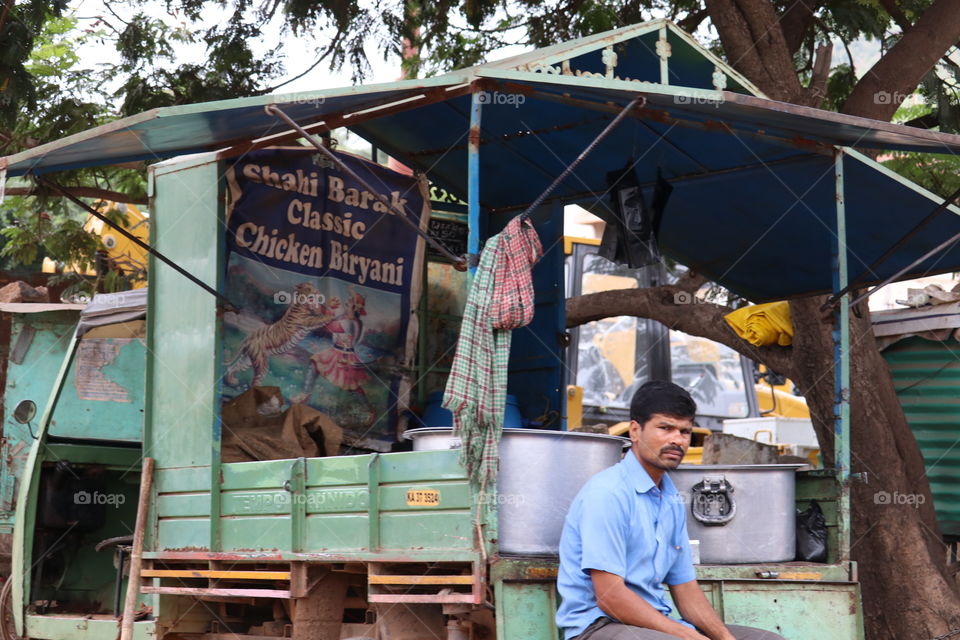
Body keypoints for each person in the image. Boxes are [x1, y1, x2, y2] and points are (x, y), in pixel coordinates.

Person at [556, 380, 787, 640]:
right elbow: (611, 598)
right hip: (599, 627)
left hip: (655, 625)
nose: (677, 440)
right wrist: (689, 636)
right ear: (635, 431)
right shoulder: (608, 494)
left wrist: (725, 638)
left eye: (684, 431)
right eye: (665, 428)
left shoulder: (671, 498)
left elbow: (685, 588)